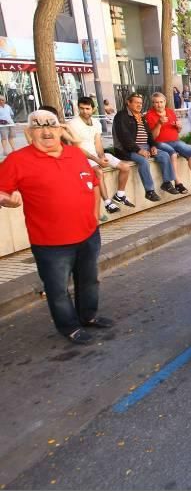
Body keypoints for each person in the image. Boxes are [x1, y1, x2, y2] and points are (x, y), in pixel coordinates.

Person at [0, 110, 114, 344]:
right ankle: (69, 327)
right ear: (29, 132)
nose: (46, 131)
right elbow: (3, 192)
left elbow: (92, 184)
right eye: (39, 126)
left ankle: (88, 316)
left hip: (88, 234)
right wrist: (6, 200)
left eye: (51, 125)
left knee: (89, 281)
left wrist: (93, 218)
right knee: (58, 289)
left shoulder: (75, 154)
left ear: (60, 129)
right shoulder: (16, 160)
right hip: (50, 243)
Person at [68, 96, 133, 215]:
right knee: (98, 172)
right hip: (82, 157)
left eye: (87, 108)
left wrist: (102, 156)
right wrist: (97, 160)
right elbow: (77, 148)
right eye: (81, 108)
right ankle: (107, 203)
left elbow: (98, 143)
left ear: (93, 109)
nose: (84, 111)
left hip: (95, 155)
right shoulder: (73, 124)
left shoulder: (96, 123)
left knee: (125, 167)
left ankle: (120, 195)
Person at [112, 93, 178, 202]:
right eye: (136, 102)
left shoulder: (141, 116)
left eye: (141, 103)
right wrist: (138, 150)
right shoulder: (121, 116)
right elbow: (125, 138)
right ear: (128, 103)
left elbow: (149, 135)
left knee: (164, 155)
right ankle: (149, 191)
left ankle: (167, 183)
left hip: (145, 146)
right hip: (127, 149)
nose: (139, 105)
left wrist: (152, 145)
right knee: (143, 160)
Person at [145, 92, 191, 192]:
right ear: (153, 103)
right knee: (172, 154)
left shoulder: (170, 112)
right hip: (159, 142)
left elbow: (178, 131)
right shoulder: (149, 115)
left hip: (175, 140)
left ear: (165, 102)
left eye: (161, 102)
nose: (159, 104)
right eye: (156, 102)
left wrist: (179, 127)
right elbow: (152, 136)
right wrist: (159, 124)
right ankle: (178, 183)